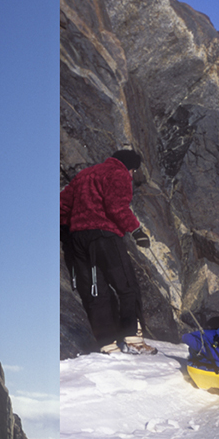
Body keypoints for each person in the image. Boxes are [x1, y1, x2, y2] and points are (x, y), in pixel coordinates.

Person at [61, 149, 156, 354]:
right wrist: (136, 231)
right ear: (128, 166)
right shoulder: (118, 173)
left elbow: (62, 206)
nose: (131, 175)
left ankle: (107, 343)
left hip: (78, 239)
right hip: (104, 236)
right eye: (133, 171)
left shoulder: (84, 175)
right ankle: (132, 339)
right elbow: (116, 206)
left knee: (96, 290)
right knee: (127, 285)